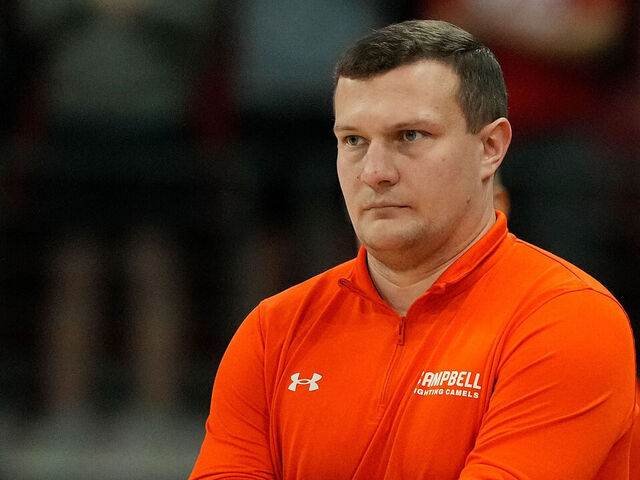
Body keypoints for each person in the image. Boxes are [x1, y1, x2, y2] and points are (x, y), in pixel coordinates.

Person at [189, 20, 636, 479]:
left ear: (490, 147)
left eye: (410, 136)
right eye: (354, 141)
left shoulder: (567, 319)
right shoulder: (274, 331)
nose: (375, 172)